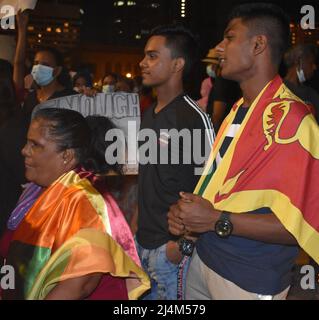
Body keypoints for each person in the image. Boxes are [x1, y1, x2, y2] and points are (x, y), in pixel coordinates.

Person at [168, 3, 319, 300]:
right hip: (205, 259)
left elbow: (304, 224)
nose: (219, 47)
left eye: (229, 37)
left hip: (249, 280)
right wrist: (188, 215)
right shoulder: (238, 111)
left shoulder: (295, 120)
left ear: (258, 44)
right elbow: (221, 191)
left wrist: (214, 219)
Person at [0, 108, 150, 300]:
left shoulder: (85, 202)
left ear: (67, 156)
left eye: (35, 145)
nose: (24, 150)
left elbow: (77, 287)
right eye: (27, 142)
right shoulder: (35, 191)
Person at [136, 24, 214, 300]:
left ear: (177, 64)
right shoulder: (148, 114)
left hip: (171, 256)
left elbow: (213, 187)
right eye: (145, 55)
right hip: (141, 246)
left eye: (153, 56)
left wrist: (181, 246)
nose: (143, 63)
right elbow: (147, 178)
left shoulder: (193, 118)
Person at [284, 44, 319, 123]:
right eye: (311, 63)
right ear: (298, 61)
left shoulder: (311, 93)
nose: (314, 67)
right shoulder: (278, 89)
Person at [196, 47, 219, 112]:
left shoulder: (222, 82)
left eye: (211, 64)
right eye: (208, 64)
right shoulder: (206, 81)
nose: (209, 67)